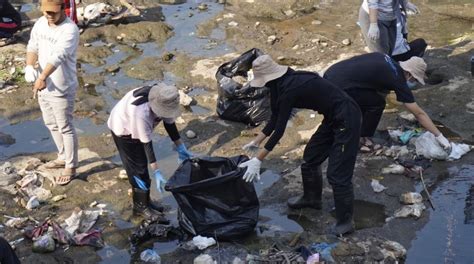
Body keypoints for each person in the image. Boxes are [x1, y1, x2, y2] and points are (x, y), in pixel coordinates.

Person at [240, 55, 362, 236]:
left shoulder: (291, 88)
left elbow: (280, 130)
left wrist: (258, 159)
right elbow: (275, 118)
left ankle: (345, 222)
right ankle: (311, 198)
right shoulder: (277, 86)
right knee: (311, 157)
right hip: (332, 118)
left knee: (337, 174)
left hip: (348, 117)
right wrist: (256, 142)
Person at [323, 53, 450, 150]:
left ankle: (359, 129)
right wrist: (439, 135)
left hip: (331, 73)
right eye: (415, 79)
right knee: (377, 104)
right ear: (409, 74)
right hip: (338, 85)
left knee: (371, 100)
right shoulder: (398, 79)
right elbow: (419, 113)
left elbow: (374, 82)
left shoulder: (387, 59)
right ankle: (361, 137)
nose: (413, 82)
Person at [107, 83, 193, 218]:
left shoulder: (164, 98)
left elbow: (169, 124)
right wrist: (157, 171)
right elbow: (147, 145)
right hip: (123, 129)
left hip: (135, 124)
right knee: (138, 169)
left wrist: (180, 146)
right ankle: (140, 207)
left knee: (142, 169)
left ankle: (147, 202)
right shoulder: (141, 113)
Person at [25, 0, 79, 185]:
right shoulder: (41, 23)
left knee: (65, 126)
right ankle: (63, 156)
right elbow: (32, 46)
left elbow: (58, 56)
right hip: (43, 85)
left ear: (62, 9)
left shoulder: (69, 30)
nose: (49, 15)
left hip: (62, 86)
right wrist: (29, 66)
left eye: (53, 12)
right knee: (50, 122)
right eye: (46, 12)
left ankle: (71, 166)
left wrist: (42, 77)